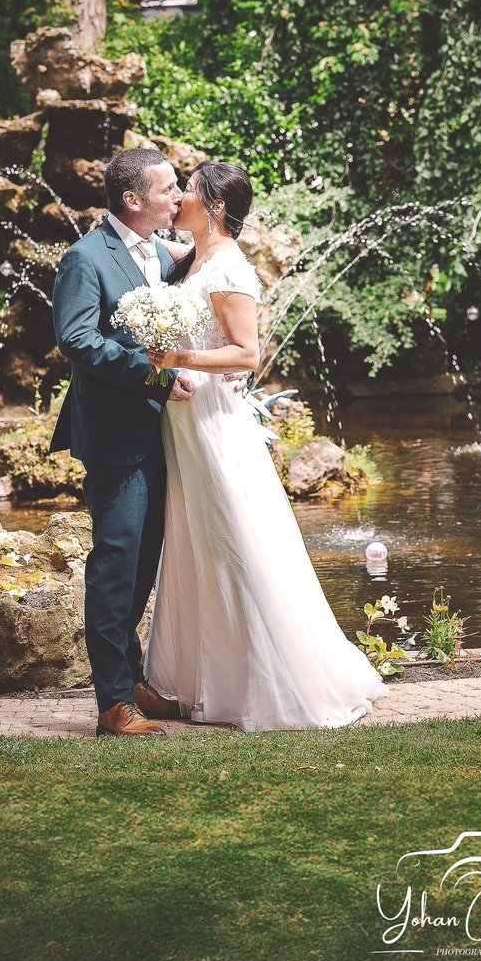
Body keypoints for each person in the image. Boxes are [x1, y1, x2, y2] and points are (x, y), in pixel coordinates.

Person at [142, 161, 390, 730]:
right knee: (194, 543)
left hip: (213, 424)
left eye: (189, 192)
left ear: (216, 207)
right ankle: (193, 683)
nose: (178, 199)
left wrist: (178, 358)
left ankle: (265, 682)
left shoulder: (230, 268)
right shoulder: (190, 259)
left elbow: (246, 353)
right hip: (184, 423)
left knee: (233, 539)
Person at [49, 144, 196, 737]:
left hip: (166, 435)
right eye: (168, 189)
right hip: (116, 437)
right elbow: (77, 339)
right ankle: (112, 702)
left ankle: (131, 678)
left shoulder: (162, 252)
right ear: (133, 200)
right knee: (116, 563)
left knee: (143, 564)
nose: (178, 196)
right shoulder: (85, 258)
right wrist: (155, 376)